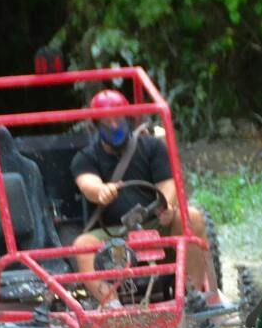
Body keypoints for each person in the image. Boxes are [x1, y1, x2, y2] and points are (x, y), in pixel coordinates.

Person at [69, 88, 215, 307]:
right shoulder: (86, 157)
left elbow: (168, 184)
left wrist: (166, 206)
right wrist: (101, 191)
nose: (115, 126)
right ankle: (112, 307)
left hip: (155, 226)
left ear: (128, 118)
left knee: (191, 218)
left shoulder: (152, 147)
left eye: (118, 119)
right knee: (82, 244)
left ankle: (194, 298)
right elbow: (87, 183)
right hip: (114, 236)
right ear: (96, 125)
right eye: (107, 122)